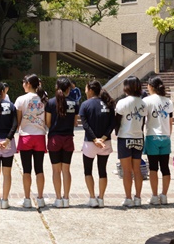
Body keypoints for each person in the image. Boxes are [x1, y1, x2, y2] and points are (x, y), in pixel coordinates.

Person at [79, 80, 115, 208]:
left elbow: (85, 125)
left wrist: (95, 139)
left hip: (90, 143)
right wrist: (103, 138)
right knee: (102, 170)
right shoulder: (108, 103)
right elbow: (112, 123)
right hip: (106, 142)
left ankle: (92, 198)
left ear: (89, 89)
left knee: (88, 170)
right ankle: (101, 198)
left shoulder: (85, 104)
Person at [14, 74, 48, 208]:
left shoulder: (21, 99)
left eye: (24, 83)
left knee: (26, 169)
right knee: (39, 169)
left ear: (28, 84)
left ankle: (27, 199)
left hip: (26, 136)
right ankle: (40, 198)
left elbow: (18, 120)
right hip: (39, 135)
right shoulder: (44, 98)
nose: (23, 85)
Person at [45, 77, 79, 208]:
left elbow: (47, 122)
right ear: (68, 88)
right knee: (66, 170)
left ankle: (58, 198)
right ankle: (66, 198)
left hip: (54, 138)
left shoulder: (51, 102)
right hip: (68, 138)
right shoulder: (74, 103)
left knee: (56, 170)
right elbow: (75, 122)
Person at [115, 76, 147, 207]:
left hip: (124, 137)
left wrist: (116, 133)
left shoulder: (122, 102)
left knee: (127, 170)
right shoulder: (143, 103)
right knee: (137, 170)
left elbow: (117, 121)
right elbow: (143, 122)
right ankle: (138, 197)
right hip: (138, 137)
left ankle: (128, 198)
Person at [142, 76, 174, 205]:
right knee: (165, 167)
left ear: (150, 86)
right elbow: (170, 121)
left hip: (152, 136)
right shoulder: (168, 102)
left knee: (153, 168)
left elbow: (143, 119)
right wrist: (168, 134)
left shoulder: (147, 101)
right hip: (165, 137)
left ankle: (154, 196)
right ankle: (164, 195)